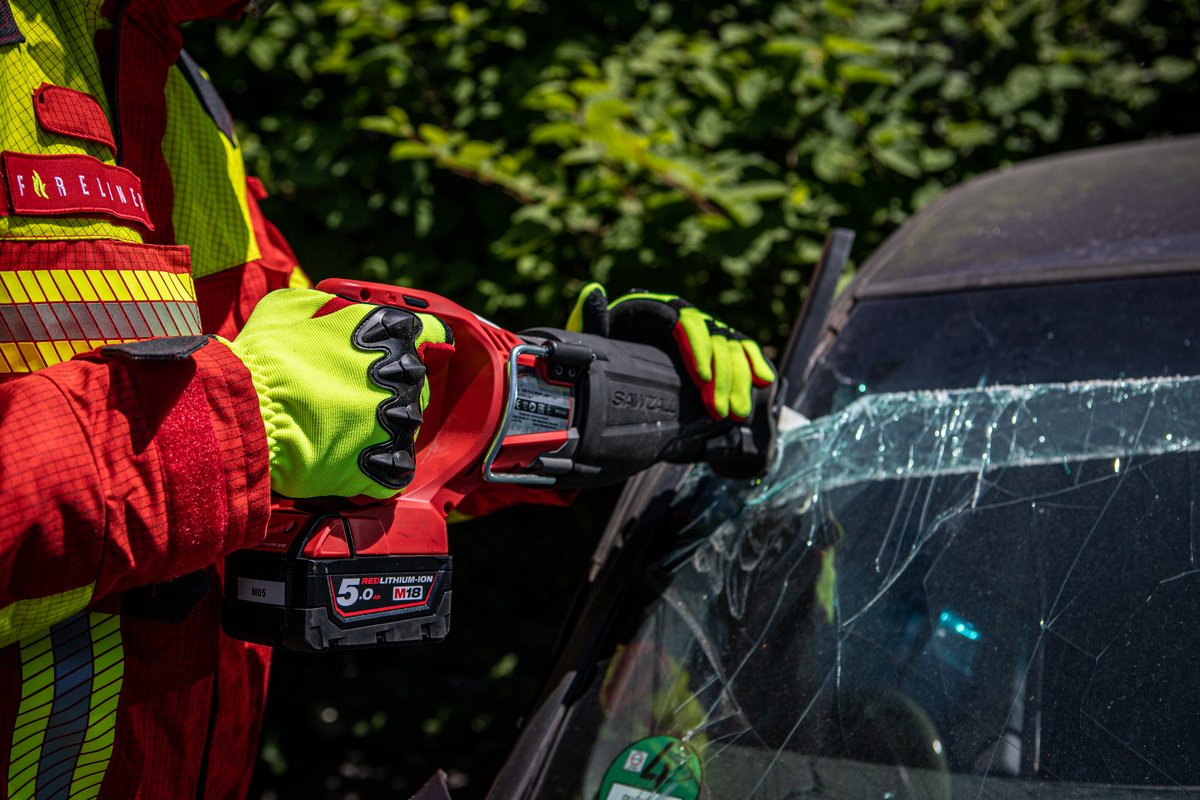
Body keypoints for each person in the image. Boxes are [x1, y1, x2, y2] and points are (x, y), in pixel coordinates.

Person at [0, 2, 775, 797]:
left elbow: (348, 415)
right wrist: (239, 429)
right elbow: (261, 415)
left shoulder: (178, 91)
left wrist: (594, 387)